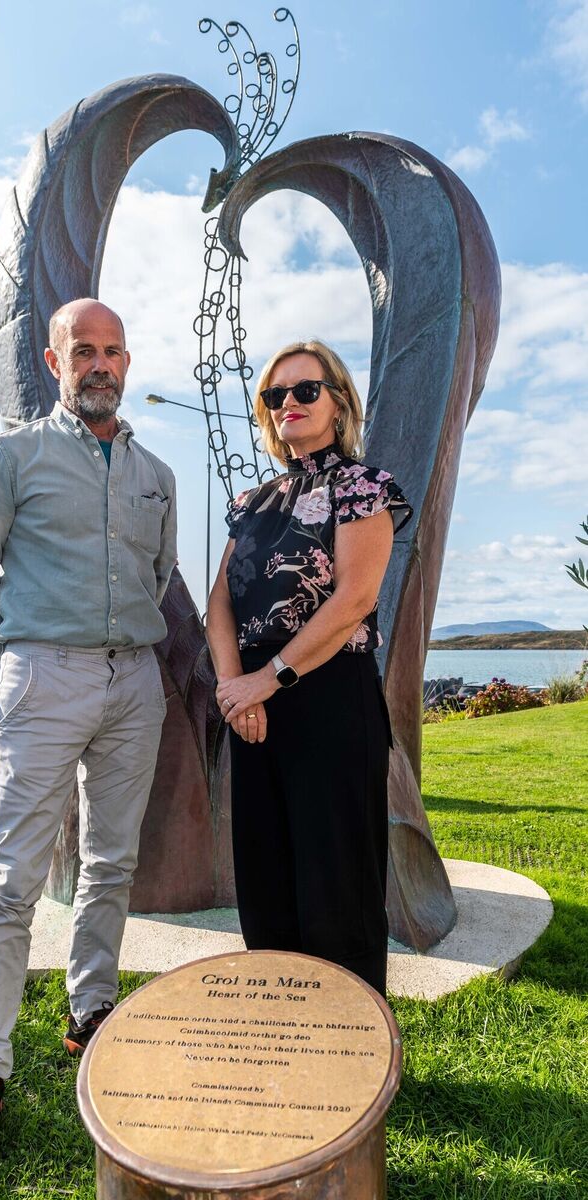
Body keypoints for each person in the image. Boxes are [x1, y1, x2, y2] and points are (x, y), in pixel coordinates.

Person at [0, 299, 176, 1178]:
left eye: (112, 351)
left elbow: (157, 574)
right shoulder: (9, 456)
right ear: (53, 360)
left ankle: (92, 1013)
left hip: (134, 681)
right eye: (83, 351)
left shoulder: (155, 473)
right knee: (11, 882)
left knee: (111, 863)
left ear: (126, 362)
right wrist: (20, 663)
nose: (99, 364)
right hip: (43, 675)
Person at [206, 339, 411, 1002]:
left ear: (338, 402)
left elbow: (354, 600)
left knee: (337, 886)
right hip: (254, 711)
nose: (288, 403)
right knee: (265, 878)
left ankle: (352, 1042)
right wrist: (234, 690)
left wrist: (265, 681)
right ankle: (280, 1036)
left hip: (329, 700)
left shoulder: (361, 487)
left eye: (305, 390)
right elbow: (219, 605)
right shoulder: (251, 502)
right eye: (275, 394)